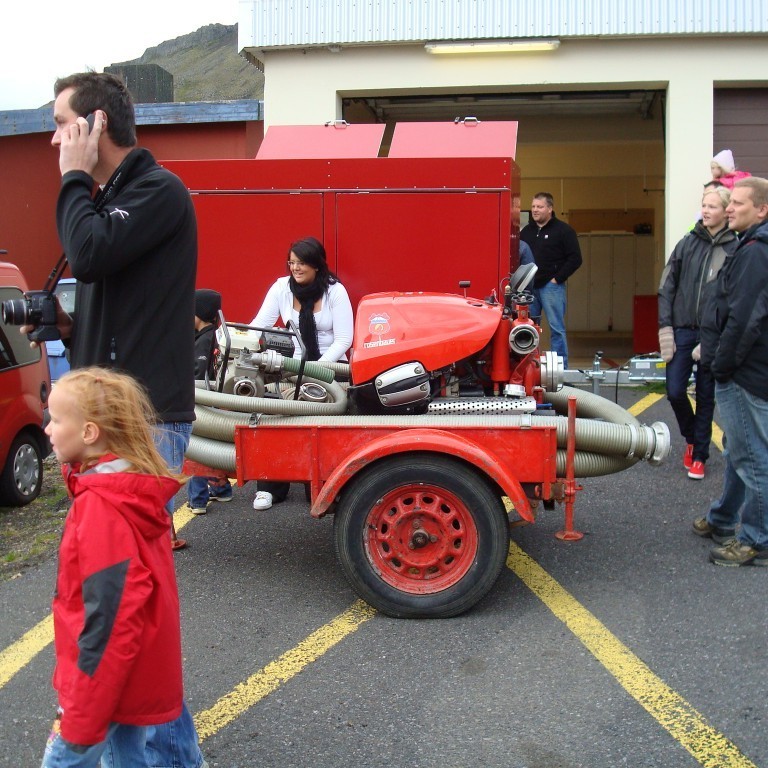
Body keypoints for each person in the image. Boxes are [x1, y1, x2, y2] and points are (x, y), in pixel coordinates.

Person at [45, 72, 206, 768]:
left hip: (143, 422)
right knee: (129, 600)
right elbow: (108, 289)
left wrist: (72, 179)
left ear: (96, 125)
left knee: (116, 599)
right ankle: (170, 755)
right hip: (109, 421)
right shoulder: (110, 201)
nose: (55, 140)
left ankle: (151, 753)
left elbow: (89, 254)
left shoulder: (157, 191)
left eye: (63, 123)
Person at [40, 368, 189, 767]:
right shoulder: (130, 486)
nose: (47, 429)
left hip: (100, 686)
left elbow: (110, 620)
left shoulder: (100, 507)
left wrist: (82, 713)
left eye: (56, 419)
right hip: (131, 676)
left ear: (89, 433)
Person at [694, 177, 768, 567]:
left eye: (738, 203)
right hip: (745, 369)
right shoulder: (749, 245)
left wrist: (721, 364)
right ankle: (723, 517)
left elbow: (744, 319)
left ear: (762, 210)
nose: (729, 208)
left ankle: (758, 540)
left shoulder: (755, 253)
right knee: (742, 449)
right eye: (730, 202)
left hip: (743, 372)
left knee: (752, 456)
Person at [249, 236, 353, 510]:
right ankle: (269, 487)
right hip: (294, 369)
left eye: (302, 263)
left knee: (322, 426)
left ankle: (320, 486)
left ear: (317, 265)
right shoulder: (281, 288)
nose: (295, 268)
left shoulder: (335, 291)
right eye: (292, 262)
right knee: (276, 418)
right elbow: (260, 325)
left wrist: (317, 370)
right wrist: (239, 342)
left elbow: (344, 340)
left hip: (332, 369)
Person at [657, 186, 737, 480]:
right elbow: (666, 287)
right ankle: (692, 437)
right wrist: (665, 328)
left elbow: (735, 300)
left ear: (725, 212)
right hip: (681, 330)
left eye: (713, 206)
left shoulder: (735, 248)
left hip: (712, 335)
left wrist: (718, 335)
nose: (706, 211)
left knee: (706, 396)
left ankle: (700, 455)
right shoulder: (686, 243)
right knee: (675, 391)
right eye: (704, 205)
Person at [520, 192, 582, 368]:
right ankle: (530, 368)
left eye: (539, 207)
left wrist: (557, 279)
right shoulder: (526, 232)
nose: (535, 210)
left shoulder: (564, 231)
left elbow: (575, 258)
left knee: (556, 329)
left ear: (550, 209)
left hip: (551, 287)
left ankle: (560, 370)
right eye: (533, 207)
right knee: (528, 329)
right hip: (529, 288)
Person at [188, 289, 233, 514]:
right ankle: (221, 489)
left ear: (201, 314)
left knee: (197, 451)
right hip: (213, 401)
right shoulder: (212, 336)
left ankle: (197, 500)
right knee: (214, 450)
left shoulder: (205, 340)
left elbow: (198, 373)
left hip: (203, 402)